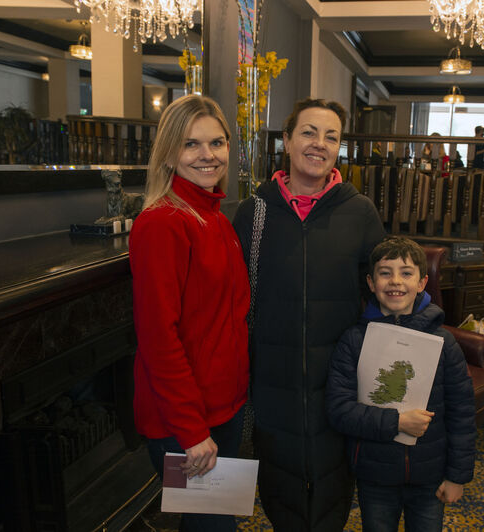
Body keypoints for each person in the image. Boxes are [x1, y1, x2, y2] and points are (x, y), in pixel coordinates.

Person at [233, 98, 385, 531]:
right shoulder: (254, 213)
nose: (319, 144)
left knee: (334, 482)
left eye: (331, 137)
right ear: (287, 141)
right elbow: (232, 298)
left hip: (337, 378)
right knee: (278, 484)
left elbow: (381, 292)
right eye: (309, 132)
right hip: (271, 377)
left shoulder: (360, 212)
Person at [129, 95, 249, 532]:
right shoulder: (162, 223)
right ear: (169, 153)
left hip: (222, 406)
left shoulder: (213, 216)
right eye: (191, 144)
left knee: (211, 524)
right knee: (213, 527)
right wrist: (191, 430)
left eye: (217, 143)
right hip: (184, 420)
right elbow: (159, 338)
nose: (207, 155)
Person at [326, 236, 477, 532]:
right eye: (385, 273)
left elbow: (462, 414)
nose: (396, 281)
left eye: (406, 273)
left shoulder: (444, 344)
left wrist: (457, 476)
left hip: (430, 476)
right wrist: (397, 422)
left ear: (422, 283)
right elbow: (339, 409)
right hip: (375, 474)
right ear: (371, 283)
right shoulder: (354, 341)